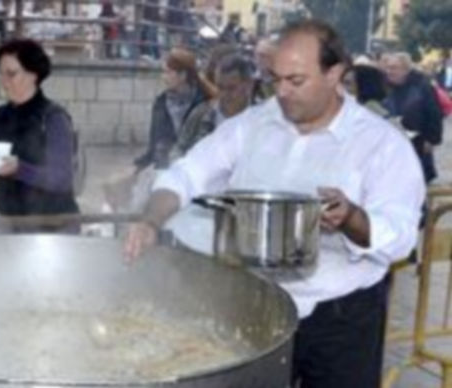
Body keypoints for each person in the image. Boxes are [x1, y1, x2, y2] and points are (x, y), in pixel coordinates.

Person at [124, 20, 425, 388]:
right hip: (255, 303)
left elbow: (400, 234)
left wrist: (352, 218)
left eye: (295, 81)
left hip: (341, 318)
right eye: (275, 79)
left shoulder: (382, 143)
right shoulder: (253, 124)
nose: (281, 92)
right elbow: (186, 174)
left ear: (334, 74)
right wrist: (151, 221)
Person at [0, 39, 79, 231]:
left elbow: (61, 179)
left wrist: (19, 169)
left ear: (33, 74)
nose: (4, 82)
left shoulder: (53, 118)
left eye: (11, 74)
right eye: (1, 74)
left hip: (54, 228)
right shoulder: (0, 117)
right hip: (10, 225)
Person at [134, 47, 214, 172]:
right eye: (163, 72)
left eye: (168, 72)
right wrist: (141, 164)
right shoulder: (161, 103)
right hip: (163, 167)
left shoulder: (204, 104)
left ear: (183, 75)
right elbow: (154, 144)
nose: (164, 77)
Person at [174, 54, 254, 158]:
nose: (224, 94)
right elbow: (179, 150)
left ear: (248, 86)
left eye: (231, 88)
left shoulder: (262, 119)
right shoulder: (200, 115)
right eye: (220, 87)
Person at [382, 52, 444, 183]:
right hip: (395, 143)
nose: (389, 71)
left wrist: (431, 139)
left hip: (418, 142)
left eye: (394, 68)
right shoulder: (386, 88)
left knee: (417, 179)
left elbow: (434, 112)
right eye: (387, 68)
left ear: (405, 70)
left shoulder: (422, 86)